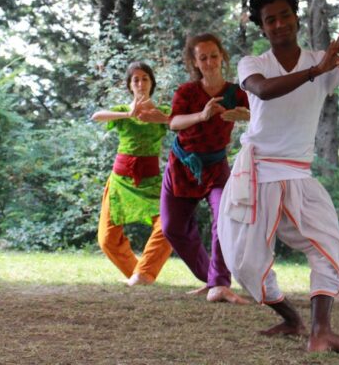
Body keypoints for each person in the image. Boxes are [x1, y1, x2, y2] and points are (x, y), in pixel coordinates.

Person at [218, 0, 339, 354]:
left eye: (284, 16)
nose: (278, 24)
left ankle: (321, 331)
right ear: (261, 27)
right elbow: (262, 91)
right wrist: (316, 72)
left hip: (297, 174)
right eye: (270, 20)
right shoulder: (254, 64)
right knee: (243, 261)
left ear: (296, 17)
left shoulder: (322, 61)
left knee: (330, 244)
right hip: (257, 172)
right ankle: (292, 318)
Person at [161, 33, 251, 304]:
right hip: (182, 164)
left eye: (214, 56)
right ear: (195, 62)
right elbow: (173, 122)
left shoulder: (236, 93)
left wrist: (246, 116)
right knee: (171, 227)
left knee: (223, 218)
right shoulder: (187, 92)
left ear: (222, 56)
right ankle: (211, 275)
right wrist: (202, 115)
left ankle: (219, 283)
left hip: (216, 166)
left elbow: (259, 116)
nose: (210, 62)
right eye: (203, 58)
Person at [91, 61, 174, 286]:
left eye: (145, 78)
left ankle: (144, 274)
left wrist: (158, 117)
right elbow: (96, 116)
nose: (140, 83)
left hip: (150, 181)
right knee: (106, 239)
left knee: (169, 227)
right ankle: (137, 275)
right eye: (135, 79)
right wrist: (129, 114)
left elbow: (180, 123)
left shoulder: (163, 112)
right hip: (120, 181)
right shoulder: (120, 113)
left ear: (152, 83)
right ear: (129, 85)